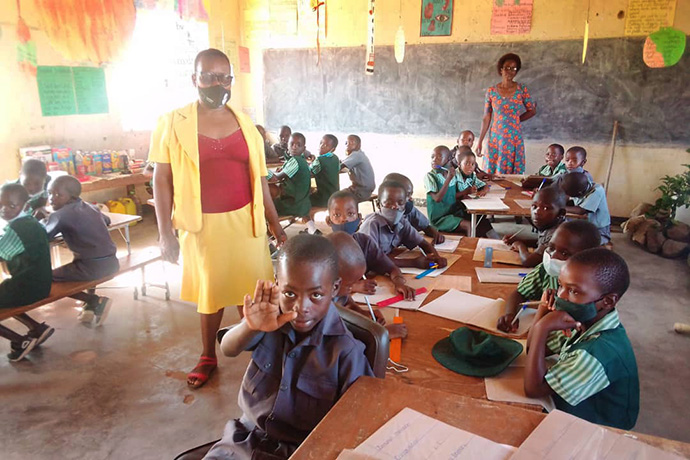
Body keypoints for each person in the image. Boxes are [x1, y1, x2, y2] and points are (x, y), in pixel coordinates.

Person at [149, 48, 285, 389]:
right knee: (210, 295)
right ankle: (208, 354)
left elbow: (260, 181)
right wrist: (165, 233)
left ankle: (261, 352)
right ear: (194, 79)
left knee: (253, 291)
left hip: (247, 225)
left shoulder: (246, 125)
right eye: (208, 76)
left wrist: (276, 225)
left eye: (225, 78)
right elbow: (161, 180)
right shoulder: (172, 122)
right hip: (202, 225)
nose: (217, 84)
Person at [204, 234, 373, 459]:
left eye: (316, 295)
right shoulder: (268, 319)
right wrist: (251, 327)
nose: (301, 307)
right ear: (277, 282)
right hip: (244, 439)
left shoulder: (346, 351)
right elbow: (228, 348)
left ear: (334, 289)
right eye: (290, 293)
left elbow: (359, 421)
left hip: (301, 450)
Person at [524, 248, 638, 430]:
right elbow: (533, 350)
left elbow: (533, 389)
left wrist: (541, 327)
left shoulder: (599, 352)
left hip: (597, 429)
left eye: (574, 291)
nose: (561, 296)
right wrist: (543, 310)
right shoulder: (583, 320)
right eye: (561, 285)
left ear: (607, 301)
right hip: (571, 407)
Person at [496, 220, 601, 333]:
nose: (553, 256)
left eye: (564, 253)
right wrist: (510, 314)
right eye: (551, 248)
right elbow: (520, 292)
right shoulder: (546, 271)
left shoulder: (587, 291)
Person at [43, 175, 118, 326]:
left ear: (72, 197)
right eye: (50, 193)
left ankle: (93, 300)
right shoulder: (91, 207)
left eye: (58, 194)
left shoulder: (60, 215)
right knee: (83, 262)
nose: (52, 198)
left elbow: (42, 234)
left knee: (44, 279)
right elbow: (107, 220)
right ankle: (90, 305)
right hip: (111, 262)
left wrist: (42, 218)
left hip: (90, 268)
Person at [325, 190, 415, 300]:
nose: (344, 219)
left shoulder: (364, 242)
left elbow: (391, 267)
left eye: (350, 214)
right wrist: (353, 287)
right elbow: (315, 286)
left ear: (359, 219)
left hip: (362, 300)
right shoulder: (322, 249)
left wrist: (399, 283)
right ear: (329, 221)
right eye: (337, 215)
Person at [0, 184, 53, 362]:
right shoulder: (31, 221)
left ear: (24, 205)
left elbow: (2, 251)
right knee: (5, 294)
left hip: (27, 288)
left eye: (11, 206)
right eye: (0, 204)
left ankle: (20, 341)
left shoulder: (16, 229)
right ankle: (36, 328)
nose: (3, 210)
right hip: (41, 283)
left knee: (6, 292)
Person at [326, 231, 408, 339]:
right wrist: (381, 335)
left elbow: (345, 300)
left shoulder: (335, 288)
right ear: (334, 285)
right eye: (350, 285)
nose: (353, 288)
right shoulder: (318, 307)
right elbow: (341, 340)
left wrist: (361, 312)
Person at [360, 180, 447, 269]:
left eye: (400, 203)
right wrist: (414, 263)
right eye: (389, 203)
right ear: (378, 204)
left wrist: (436, 258)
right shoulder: (371, 225)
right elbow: (373, 259)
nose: (395, 206)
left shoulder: (401, 222)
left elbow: (423, 244)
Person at [477, 53, 537, 174]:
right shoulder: (491, 91)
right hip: (496, 137)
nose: (510, 71)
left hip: (514, 137)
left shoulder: (521, 89)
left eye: (514, 68)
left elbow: (532, 110)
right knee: (492, 173)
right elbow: (486, 117)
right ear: (501, 69)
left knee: (512, 175)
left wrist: (516, 120)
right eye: (507, 68)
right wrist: (480, 142)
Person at [503, 186, 567, 267]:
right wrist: (522, 241)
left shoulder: (560, 233)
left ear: (561, 213)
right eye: (534, 206)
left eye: (546, 208)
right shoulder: (550, 225)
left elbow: (529, 261)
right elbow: (542, 243)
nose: (537, 212)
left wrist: (520, 246)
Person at [383, 172, 444, 244]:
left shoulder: (410, 211)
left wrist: (436, 234)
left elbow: (426, 226)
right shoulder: (380, 221)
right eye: (406, 194)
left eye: (410, 194)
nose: (411, 199)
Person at [454, 147, 500, 239]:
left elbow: (484, 185)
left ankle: (493, 240)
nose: (470, 166)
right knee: (480, 220)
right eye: (466, 163)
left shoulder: (472, 175)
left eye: (473, 164)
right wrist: (466, 192)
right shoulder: (454, 176)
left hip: (468, 207)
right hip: (456, 209)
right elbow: (451, 196)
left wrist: (484, 190)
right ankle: (492, 239)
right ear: (459, 164)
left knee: (481, 218)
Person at [561, 172, 611, 244]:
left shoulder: (597, 191)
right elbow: (571, 200)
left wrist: (559, 207)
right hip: (586, 225)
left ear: (580, 193)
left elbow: (581, 210)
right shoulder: (580, 186)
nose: (567, 196)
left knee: (586, 244)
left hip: (599, 229)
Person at [340, 135, 376, 202]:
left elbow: (340, 167)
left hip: (362, 191)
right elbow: (343, 163)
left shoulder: (356, 155)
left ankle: (351, 212)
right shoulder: (358, 154)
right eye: (347, 143)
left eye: (352, 142)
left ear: (359, 145)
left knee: (337, 197)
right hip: (365, 189)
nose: (349, 145)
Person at [309, 134, 340, 208]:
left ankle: (308, 218)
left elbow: (309, 171)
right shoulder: (336, 158)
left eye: (326, 145)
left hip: (324, 198)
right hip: (335, 196)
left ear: (333, 149)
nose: (322, 146)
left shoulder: (319, 160)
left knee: (303, 200)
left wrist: (310, 163)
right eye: (321, 143)